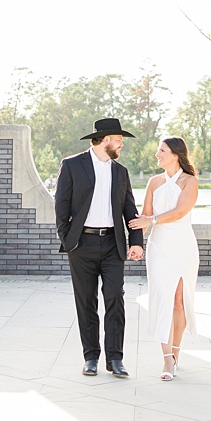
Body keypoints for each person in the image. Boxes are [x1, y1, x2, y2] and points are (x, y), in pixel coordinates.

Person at [54, 117, 145, 378]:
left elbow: (130, 209)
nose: (121, 145)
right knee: (86, 301)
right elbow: (61, 206)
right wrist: (67, 239)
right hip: (82, 244)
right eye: (118, 140)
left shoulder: (121, 172)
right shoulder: (72, 165)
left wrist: (136, 242)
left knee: (115, 297)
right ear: (105, 140)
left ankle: (115, 358)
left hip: (113, 244)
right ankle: (91, 357)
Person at [128, 136, 199, 381]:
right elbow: (145, 216)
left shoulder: (190, 181)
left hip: (183, 246)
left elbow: (180, 211)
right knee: (162, 299)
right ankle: (166, 359)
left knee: (179, 301)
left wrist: (152, 221)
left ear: (175, 154)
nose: (157, 154)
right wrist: (136, 243)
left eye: (161, 150)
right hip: (159, 248)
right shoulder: (154, 182)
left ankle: (176, 353)